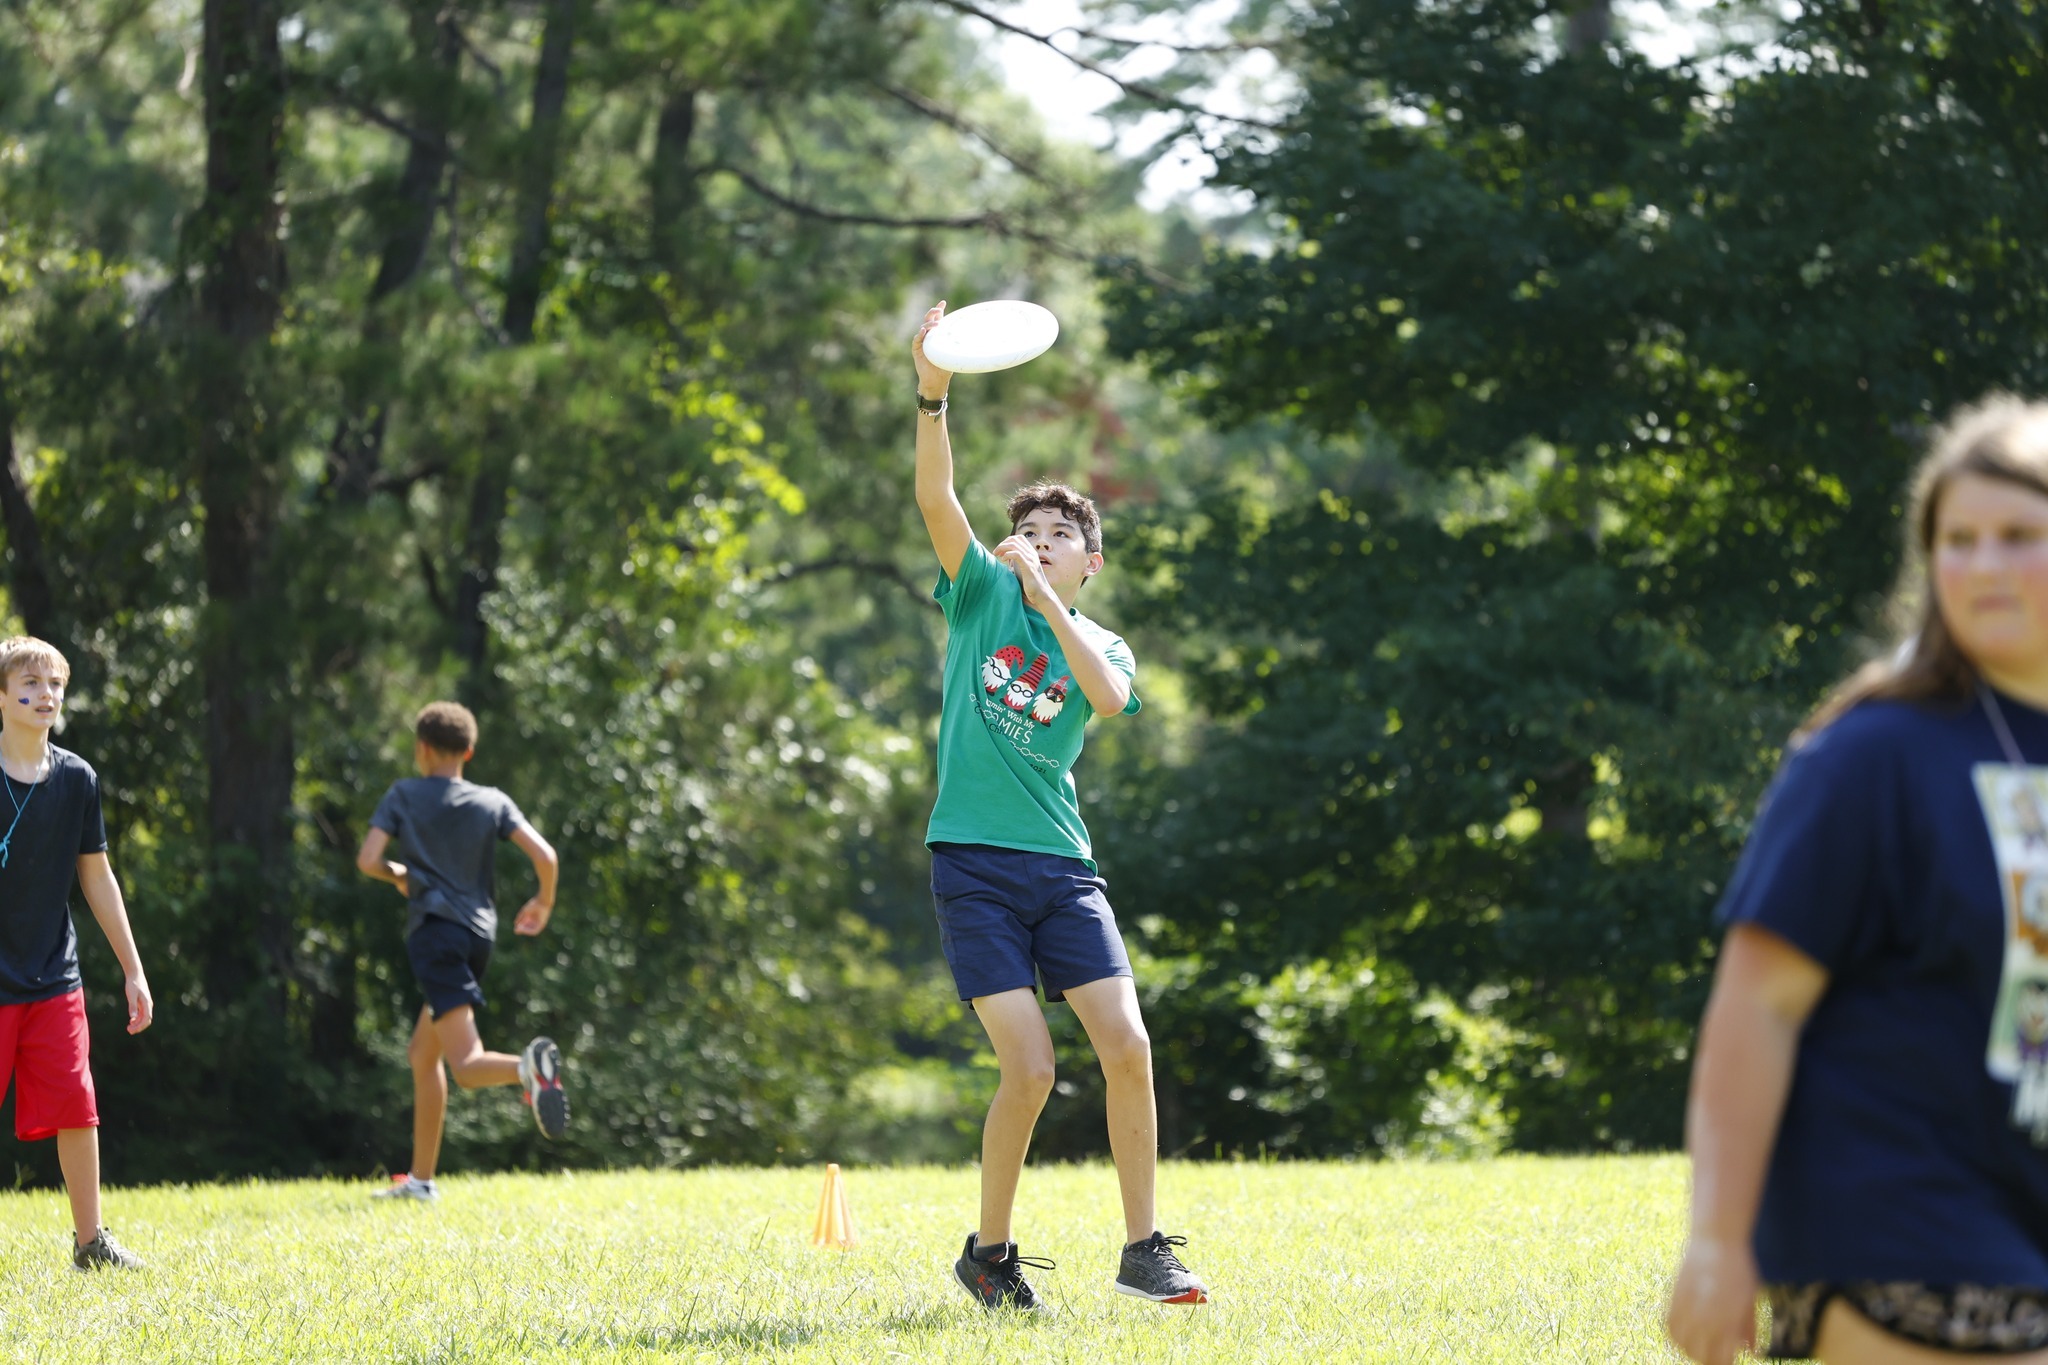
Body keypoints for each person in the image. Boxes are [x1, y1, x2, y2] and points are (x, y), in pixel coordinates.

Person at [1668, 397, 2048, 1363]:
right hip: (1897, 1220)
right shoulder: (1871, 755)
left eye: (2019, 536)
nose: (1984, 566)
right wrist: (1716, 1240)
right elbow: (1757, 1003)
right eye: (1958, 540)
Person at [911, 301, 1208, 1310]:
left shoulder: (1101, 641)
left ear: (1090, 561)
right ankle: (988, 1254)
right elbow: (934, 494)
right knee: (1030, 1069)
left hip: (1062, 870)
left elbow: (1110, 698)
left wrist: (1047, 603)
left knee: (1128, 1046)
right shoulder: (977, 595)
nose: (1040, 543)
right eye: (1028, 532)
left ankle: (1143, 1251)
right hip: (972, 864)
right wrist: (933, 393)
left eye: (1060, 536)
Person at [355, 701, 567, 1201]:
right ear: (468, 752)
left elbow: (368, 860)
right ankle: (421, 1182)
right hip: (478, 939)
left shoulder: (404, 794)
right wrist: (543, 901)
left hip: (435, 935)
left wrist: (399, 874)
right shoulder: (492, 800)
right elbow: (546, 856)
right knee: (422, 1053)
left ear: (422, 748)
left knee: (467, 1067)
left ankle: (528, 1068)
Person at [0, 636, 152, 1270]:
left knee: (77, 1107)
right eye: (30, 684)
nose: (46, 695)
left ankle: (91, 1244)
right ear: (2, 696)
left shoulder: (77, 778)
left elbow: (97, 877)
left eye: (56, 685)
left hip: (53, 976)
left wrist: (133, 970)